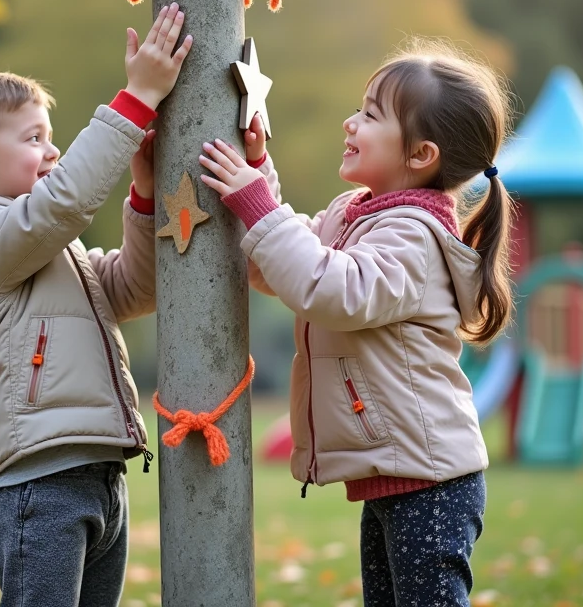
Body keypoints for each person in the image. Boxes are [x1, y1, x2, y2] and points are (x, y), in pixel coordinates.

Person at [0, 5, 193, 607]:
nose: (52, 152)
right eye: (34, 139)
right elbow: (62, 204)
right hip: (38, 479)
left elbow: (134, 288)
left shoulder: (50, 250)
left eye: (52, 138)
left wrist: (147, 194)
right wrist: (138, 98)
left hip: (99, 472)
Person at [198, 40, 513, 606]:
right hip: (395, 474)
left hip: (433, 483)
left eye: (370, 114)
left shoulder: (414, 234)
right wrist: (258, 179)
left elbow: (332, 290)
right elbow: (285, 268)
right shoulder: (355, 214)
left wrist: (258, 208)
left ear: (420, 155)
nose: (351, 121)